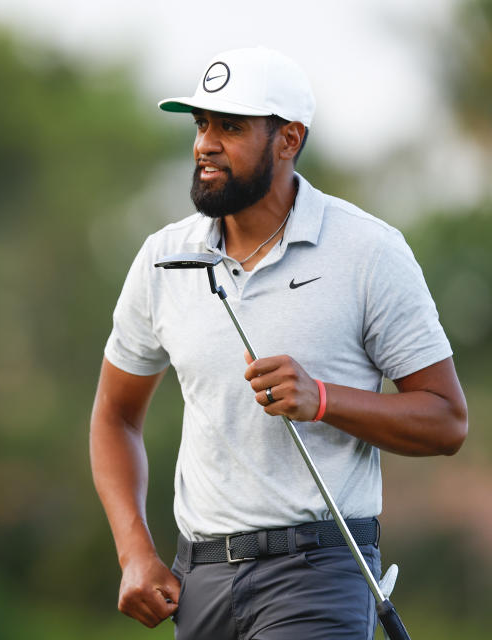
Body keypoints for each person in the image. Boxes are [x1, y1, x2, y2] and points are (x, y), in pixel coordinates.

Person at [89, 46, 468, 639]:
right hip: (202, 579)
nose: (205, 144)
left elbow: (446, 421)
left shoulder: (369, 251)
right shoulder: (163, 258)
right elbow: (115, 417)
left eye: (231, 127)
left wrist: (322, 399)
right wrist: (134, 550)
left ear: (288, 139)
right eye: (202, 124)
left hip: (319, 569)